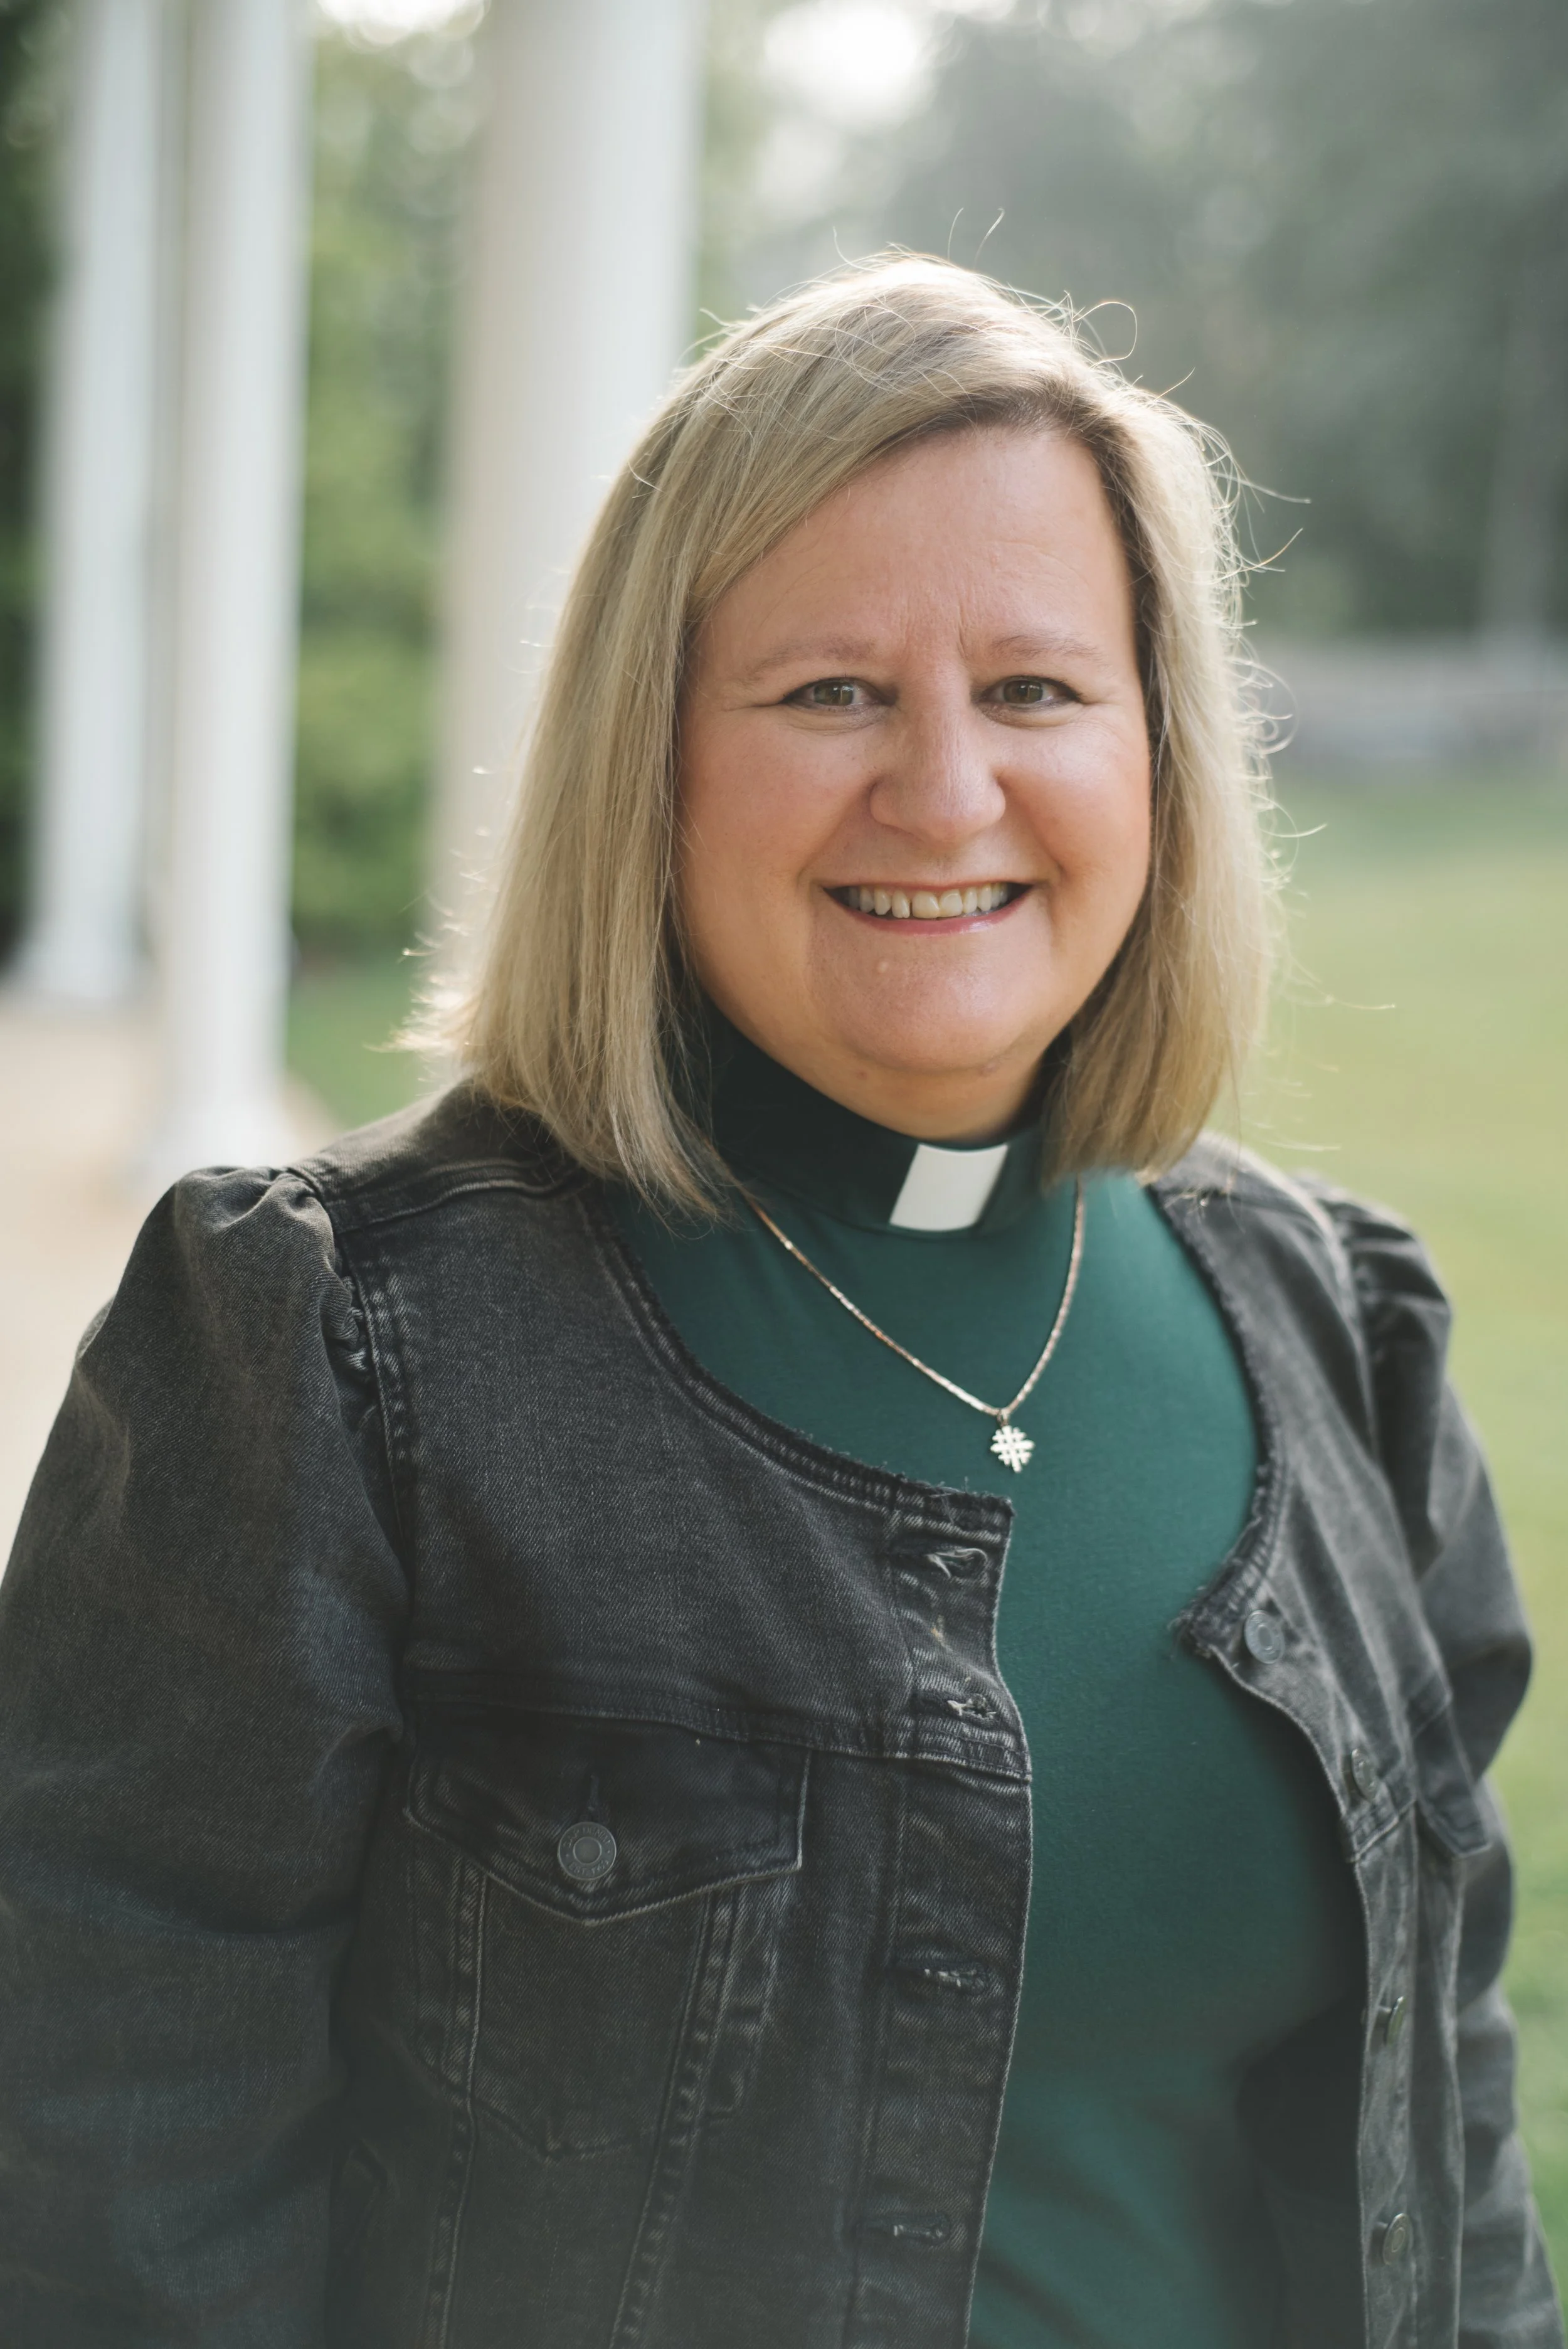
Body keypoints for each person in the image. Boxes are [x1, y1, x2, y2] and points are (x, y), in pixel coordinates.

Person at [0, 257, 1559, 2349]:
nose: (942, 791)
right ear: (649, 762)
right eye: (830, 691)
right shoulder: (324, 1345)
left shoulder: (1338, 1325)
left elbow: (1446, 2124)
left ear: (1160, 761)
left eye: (1033, 690)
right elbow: (115, 2202)